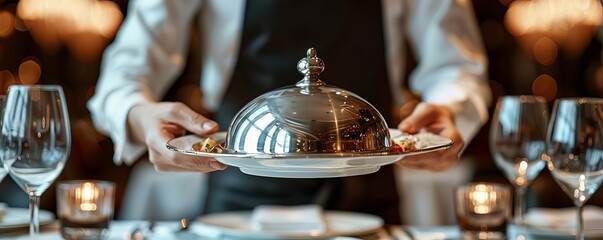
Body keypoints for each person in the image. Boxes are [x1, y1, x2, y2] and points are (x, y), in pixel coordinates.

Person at [87, 0, 491, 224]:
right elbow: (128, 67)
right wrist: (138, 114)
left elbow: (458, 67)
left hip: (366, 194)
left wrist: (448, 110)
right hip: (238, 195)